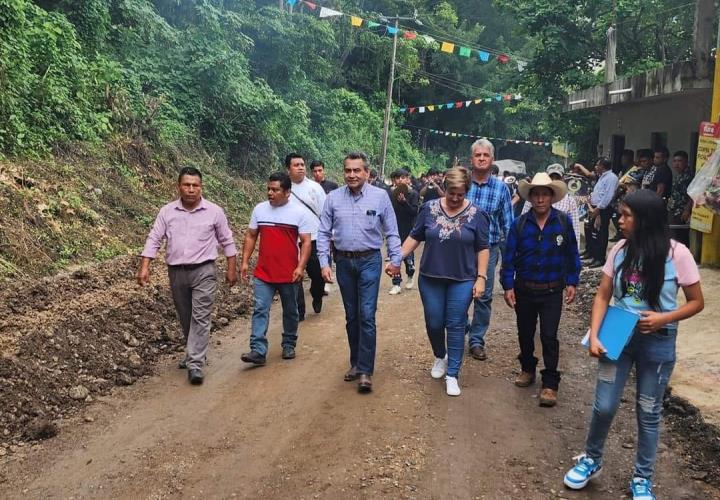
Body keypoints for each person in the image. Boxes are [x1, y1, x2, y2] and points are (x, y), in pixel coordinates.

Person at [563, 189, 704, 500]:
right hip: (618, 336)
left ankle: (642, 478)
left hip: (659, 342)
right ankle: (591, 459)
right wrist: (595, 334)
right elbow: (603, 294)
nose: (620, 219)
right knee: (605, 405)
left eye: (627, 215)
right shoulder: (620, 250)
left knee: (649, 411)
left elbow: (696, 302)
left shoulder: (677, 254)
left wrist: (663, 319)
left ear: (646, 220)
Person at [137, 167, 237, 385]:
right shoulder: (167, 212)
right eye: (187, 185)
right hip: (176, 272)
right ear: (178, 186)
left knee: (200, 316)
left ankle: (195, 364)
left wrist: (232, 268)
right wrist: (145, 265)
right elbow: (155, 237)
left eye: (196, 185)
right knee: (186, 315)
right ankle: (194, 351)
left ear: (201, 187)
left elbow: (227, 240)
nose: (191, 189)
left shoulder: (214, 212)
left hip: (204, 270)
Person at [399, 167, 489, 396]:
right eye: (452, 193)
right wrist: (396, 258)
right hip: (431, 277)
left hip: (463, 278)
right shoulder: (429, 209)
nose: (456, 198)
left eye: (461, 194)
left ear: (466, 191)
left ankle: (453, 374)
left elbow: (483, 248)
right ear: (445, 188)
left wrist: (481, 278)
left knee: (456, 323)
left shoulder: (477, 215)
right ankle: (441, 356)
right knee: (434, 322)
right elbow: (415, 236)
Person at [317, 151, 402, 393]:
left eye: (357, 170)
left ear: (366, 173)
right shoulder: (332, 198)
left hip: (369, 261)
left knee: (366, 314)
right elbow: (323, 233)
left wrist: (395, 260)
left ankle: (365, 370)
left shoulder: (380, 197)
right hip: (344, 262)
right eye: (348, 170)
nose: (352, 175)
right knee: (352, 315)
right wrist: (324, 263)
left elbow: (392, 231)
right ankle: (355, 362)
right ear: (343, 172)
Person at [502, 173, 581, 407]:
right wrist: (508, 285)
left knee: (549, 335)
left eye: (544, 194)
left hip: (552, 290)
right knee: (525, 332)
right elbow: (509, 258)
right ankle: (527, 368)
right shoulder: (520, 224)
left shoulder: (563, 222)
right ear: (531, 197)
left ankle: (550, 383)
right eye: (535, 194)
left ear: (551, 197)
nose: (539, 199)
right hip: (524, 288)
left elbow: (572, 255)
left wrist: (572, 282)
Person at [239, 172, 312, 365]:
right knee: (260, 309)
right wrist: (245, 261)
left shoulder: (299, 213)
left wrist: (300, 266)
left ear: (287, 192)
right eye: (268, 189)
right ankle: (258, 350)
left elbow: (306, 242)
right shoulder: (260, 210)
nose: (270, 193)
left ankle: (289, 343)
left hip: (289, 273)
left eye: (275, 190)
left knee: (290, 310)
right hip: (264, 272)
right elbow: (251, 236)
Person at [465, 139, 514, 361]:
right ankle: (460, 330)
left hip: (490, 248)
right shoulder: (462, 184)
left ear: (492, 160)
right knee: (459, 291)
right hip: (461, 249)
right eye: (478, 155)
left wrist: (510, 260)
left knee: (483, 295)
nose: (482, 159)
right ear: (471, 159)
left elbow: (508, 226)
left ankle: (476, 340)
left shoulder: (502, 189)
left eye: (486, 155)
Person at [285, 153, 326, 320]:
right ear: (288, 169)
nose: (301, 167)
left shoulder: (315, 188)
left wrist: (328, 237)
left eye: (302, 164)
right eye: (296, 165)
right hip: (292, 240)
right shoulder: (284, 188)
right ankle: (299, 310)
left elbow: (325, 213)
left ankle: (317, 294)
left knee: (317, 273)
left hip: (314, 238)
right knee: (295, 275)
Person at [521, 164, 581, 249]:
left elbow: (575, 229)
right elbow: (523, 223)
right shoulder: (532, 199)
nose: (554, 180)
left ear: (563, 179)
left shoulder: (569, 201)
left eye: (557, 178)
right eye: (551, 177)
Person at [583, 158, 619, 268]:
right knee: (593, 232)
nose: (595, 167)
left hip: (602, 209)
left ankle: (600, 258)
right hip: (595, 208)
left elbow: (608, 196)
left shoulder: (611, 178)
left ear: (603, 166)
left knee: (601, 233)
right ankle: (593, 255)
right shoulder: (603, 177)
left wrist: (598, 209)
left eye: (597, 165)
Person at [388, 169, 419, 294]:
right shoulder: (389, 194)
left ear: (407, 178)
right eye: (397, 178)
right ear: (394, 180)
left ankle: (410, 274)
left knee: (408, 258)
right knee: (395, 257)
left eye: (402, 177)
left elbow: (414, 212)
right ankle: (396, 284)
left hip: (408, 230)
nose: (400, 180)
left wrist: (404, 202)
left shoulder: (413, 194)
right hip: (393, 229)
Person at [667, 150, 693, 246]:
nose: (676, 164)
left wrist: (687, 210)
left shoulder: (688, 176)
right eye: (674, 161)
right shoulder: (678, 175)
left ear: (686, 162)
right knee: (673, 236)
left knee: (680, 237)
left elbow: (692, 195)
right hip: (673, 210)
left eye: (680, 161)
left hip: (681, 212)